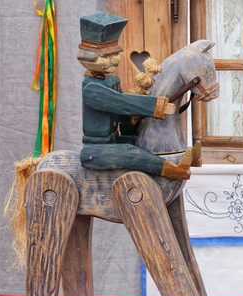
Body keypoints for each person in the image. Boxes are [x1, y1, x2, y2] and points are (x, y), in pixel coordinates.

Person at [78, 11, 191, 180]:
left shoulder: (112, 78)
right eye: (106, 56)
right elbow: (120, 103)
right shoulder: (91, 88)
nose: (114, 60)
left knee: (139, 141)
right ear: (87, 57)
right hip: (96, 149)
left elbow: (122, 112)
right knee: (131, 152)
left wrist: (131, 128)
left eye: (115, 54)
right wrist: (155, 106)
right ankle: (171, 170)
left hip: (114, 140)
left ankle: (175, 156)